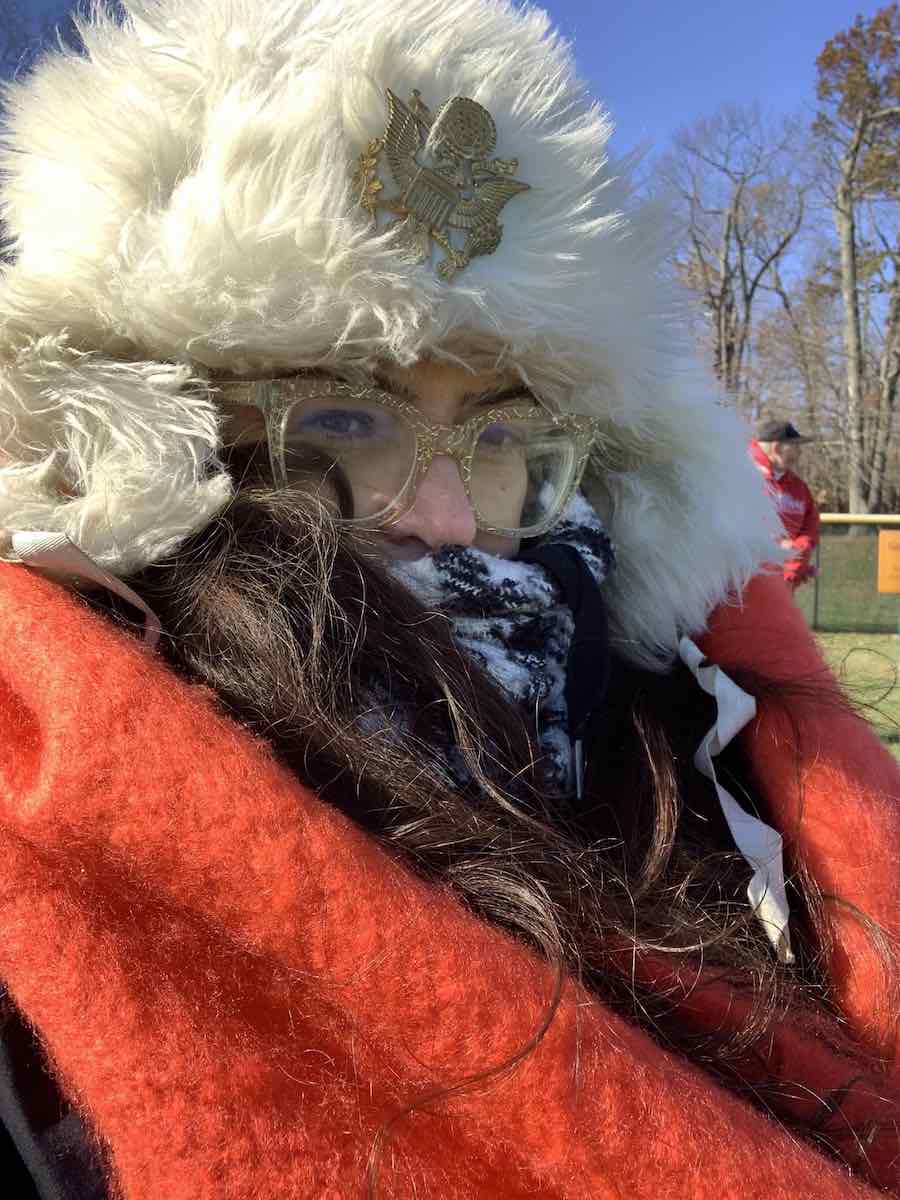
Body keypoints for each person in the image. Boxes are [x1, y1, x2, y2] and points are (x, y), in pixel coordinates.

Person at [0, 2, 899, 1198]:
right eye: (340, 417)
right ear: (143, 458)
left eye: (500, 434)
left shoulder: (710, 774)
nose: (447, 515)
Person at [750, 419, 821, 592]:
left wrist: (798, 558)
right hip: (740, 585)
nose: (799, 452)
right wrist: (778, 547)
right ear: (776, 448)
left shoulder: (798, 487)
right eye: (795, 446)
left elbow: (809, 527)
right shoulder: (742, 474)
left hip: (782, 587)